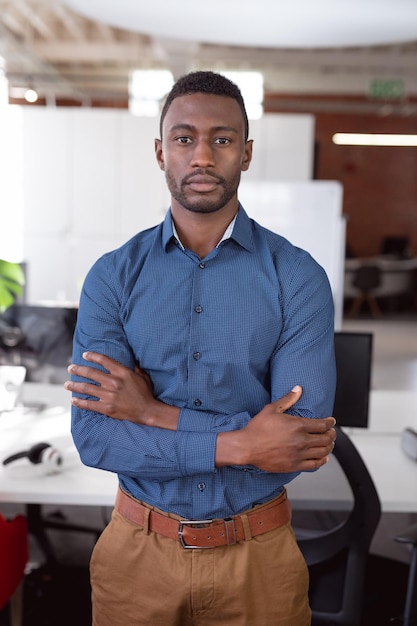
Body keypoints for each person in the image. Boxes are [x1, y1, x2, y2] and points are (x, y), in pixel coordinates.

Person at [65, 70, 337, 626]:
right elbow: (95, 437)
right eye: (185, 138)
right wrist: (241, 444)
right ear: (161, 152)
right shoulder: (114, 276)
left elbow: (294, 444)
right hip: (136, 555)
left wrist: (149, 413)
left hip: (258, 557)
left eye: (223, 138)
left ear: (247, 152)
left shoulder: (297, 276)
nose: (203, 156)